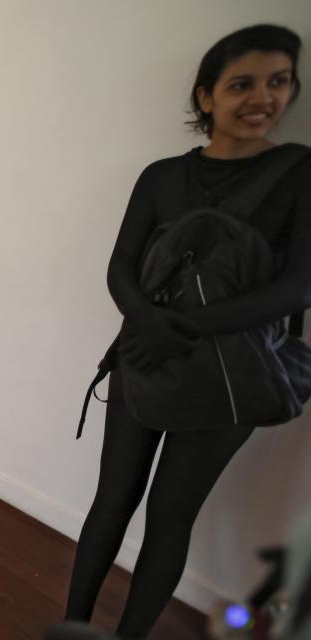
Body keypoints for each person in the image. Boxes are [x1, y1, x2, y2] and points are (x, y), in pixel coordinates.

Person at [65, 24, 311, 638]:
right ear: (206, 97)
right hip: (146, 351)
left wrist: (171, 327)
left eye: (279, 81)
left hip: (233, 371)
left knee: (171, 516)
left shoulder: (299, 173)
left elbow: (299, 288)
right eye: (242, 84)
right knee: (112, 497)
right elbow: (120, 266)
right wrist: (145, 323)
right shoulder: (160, 176)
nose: (263, 97)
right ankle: (73, 625)